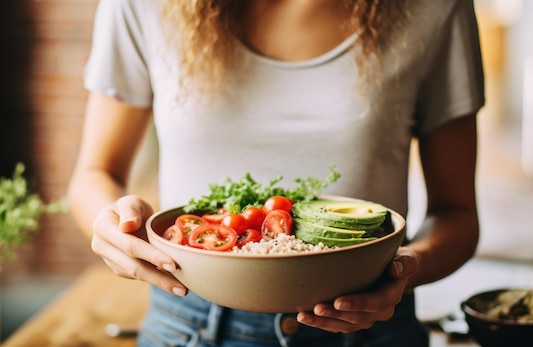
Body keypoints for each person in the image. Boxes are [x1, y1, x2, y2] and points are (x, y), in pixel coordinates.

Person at [68, 0, 484, 346]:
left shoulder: (435, 8)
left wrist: (404, 269)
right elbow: (95, 173)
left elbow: (457, 213)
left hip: (369, 325)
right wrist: (114, 224)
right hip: (188, 324)